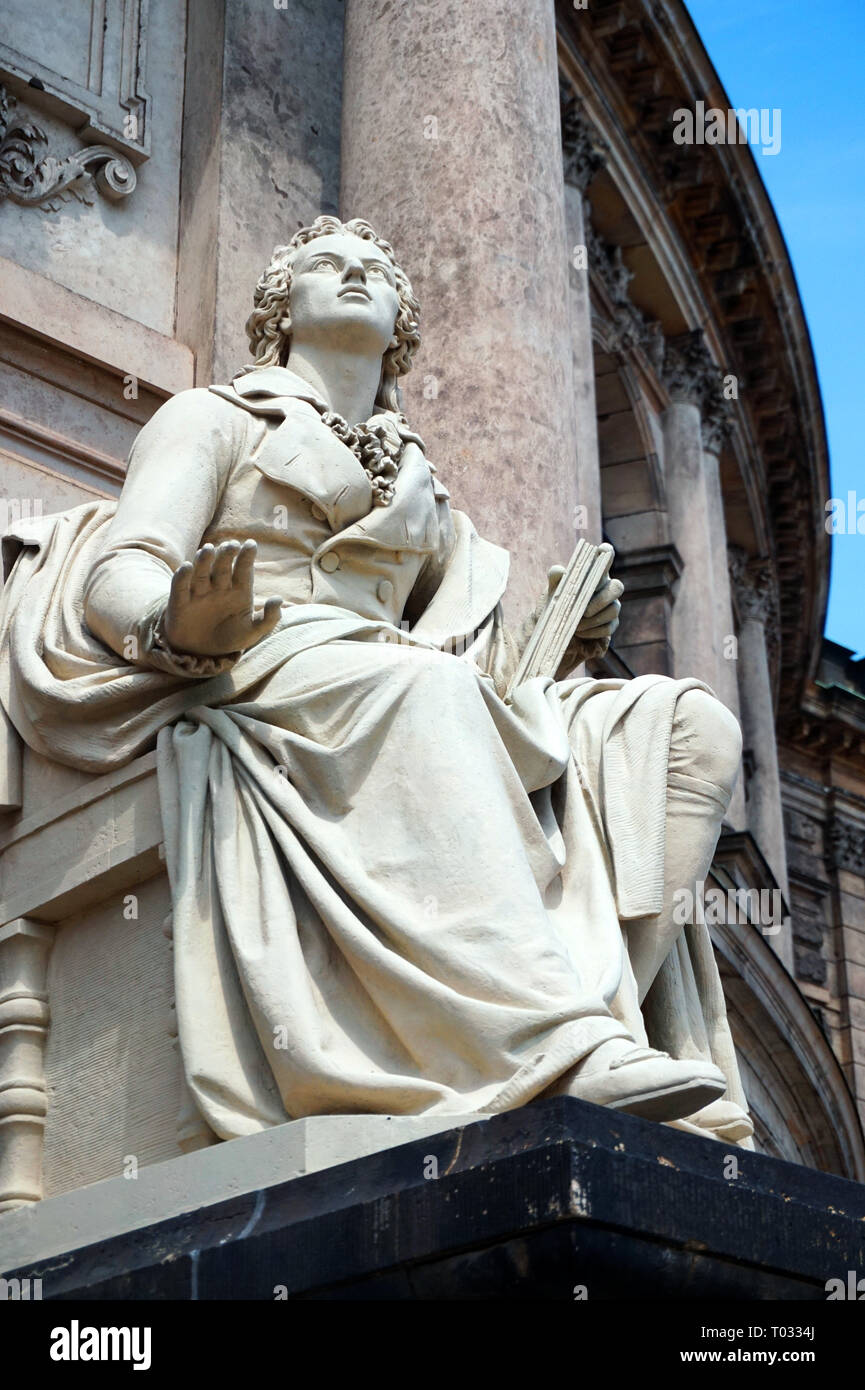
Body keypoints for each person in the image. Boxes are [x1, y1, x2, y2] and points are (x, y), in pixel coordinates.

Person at [0, 216, 752, 1145]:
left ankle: (589, 1013)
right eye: (326, 264)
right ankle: (547, 1042)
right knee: (415, 692)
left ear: (400, 319)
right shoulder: (215, 419)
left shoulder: (419, 484)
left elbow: (465, 660)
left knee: (685, 726)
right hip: (250, 658)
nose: (354, 274)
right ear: (281, 310)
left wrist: (558, 644)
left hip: (392, 682)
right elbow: (127, 565)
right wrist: (175, 624)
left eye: (374, 269)